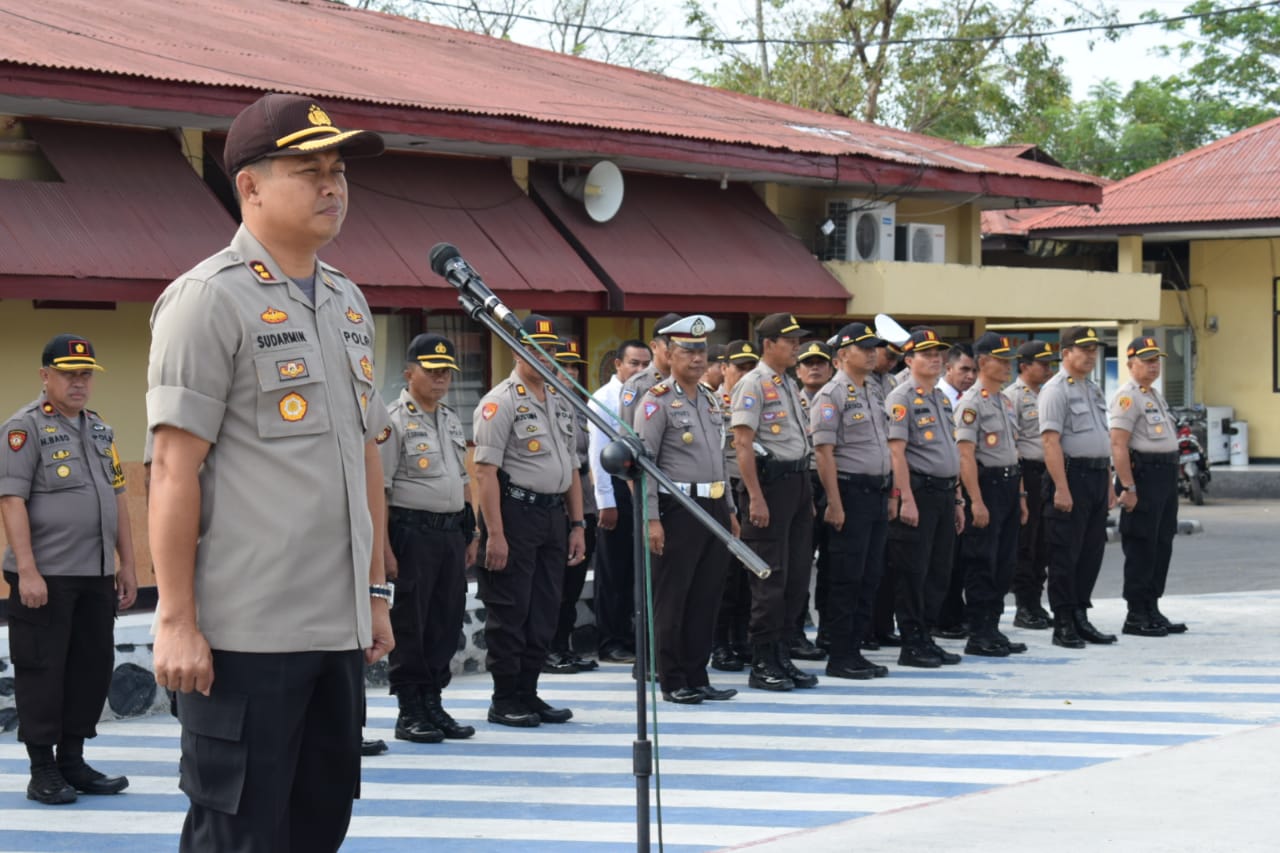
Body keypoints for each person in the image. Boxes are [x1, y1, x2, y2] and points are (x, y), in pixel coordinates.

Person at [147, 92, 393, 852]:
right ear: (249, 187)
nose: (332, 186)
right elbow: (171, 467)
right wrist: (177, 617)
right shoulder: (207, 300)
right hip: (246, 637)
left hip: (338, 632)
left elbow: (365, 453)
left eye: (339, 170)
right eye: (308, 170)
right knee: (240, 835)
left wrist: (377, 594)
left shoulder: (349, 303)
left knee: (320, 826)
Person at [2, 335, 136, 805]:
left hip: (95, 574)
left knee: (89, 669)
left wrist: (128, 566)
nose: (78, 383)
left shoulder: (100, 431)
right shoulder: (25, 428)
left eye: (85, 375)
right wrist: (29, 572)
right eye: (67, 373)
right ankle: (43, 771)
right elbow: (12, 501)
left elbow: (118, 499)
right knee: (42, 670)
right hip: (47, 577)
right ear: (45, 376)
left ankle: (73, 762)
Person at [473, 315, 586, 727]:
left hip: (552, 515)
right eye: (533, 348)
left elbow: (572, 466)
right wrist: (495, 534)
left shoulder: (558, 399)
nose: (543, 356)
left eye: (549, 349)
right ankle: (505, 697)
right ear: (516, 349)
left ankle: (529, 691)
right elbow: (484, 472)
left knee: (544, 608)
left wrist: (577, 524)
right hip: (515, 514)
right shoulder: (499, 401)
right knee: (511, 608)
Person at [635, 315, 740, 704]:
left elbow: (719, 460)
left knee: (706, 594)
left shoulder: (711, 399)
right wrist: (651, 518)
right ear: (669, 354)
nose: (698, 358)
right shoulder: (655, 402)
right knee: (673, 597)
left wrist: (728, 508)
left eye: (702, 351)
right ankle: (672, 677)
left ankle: (698, 673)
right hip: (677, 506)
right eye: (688, 351)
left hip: (712, 504)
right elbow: (643, 467)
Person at [379, 333, 477, 743]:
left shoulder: (451, 419)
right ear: (409, 372)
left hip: (449, 534)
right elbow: (380, 489)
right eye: (432, 371)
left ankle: (434, 701)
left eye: (446, 373)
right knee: (411, 623)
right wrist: (383, 549)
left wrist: (471, 532)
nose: (440, 380)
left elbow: (462, 478)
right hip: (410, 533)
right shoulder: (392, 421)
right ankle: (409, 709)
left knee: (445, 619)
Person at [731, 313, 818, 691]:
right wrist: (755, 496)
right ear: (769, 344)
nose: (797, 346)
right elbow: (743, 443)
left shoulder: (787, 383)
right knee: (769, 577)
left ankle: (783, 655)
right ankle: (762, 661)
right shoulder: (753, 384)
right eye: (790, 340)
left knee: (796, 577)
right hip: (770, 485)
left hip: (797, 482)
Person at [809, 322, 893, 679]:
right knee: (845, 576)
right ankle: (840, 653)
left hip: (876, 491)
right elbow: (824, 453)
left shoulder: (873, 389)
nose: (873, 353)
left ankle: (855, 648)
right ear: (843, 355)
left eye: (874, 347)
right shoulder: (831, 395)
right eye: (864, 348)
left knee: (869, 576)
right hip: (850, 492)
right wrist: (835, 502)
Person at [884, 328, 965, 668]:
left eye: (938, 353)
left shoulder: (941, 398)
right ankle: (912, 641)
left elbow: (950, 449)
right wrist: (905, 498)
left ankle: (927, 635)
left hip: (945, 492)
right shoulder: (901, 398)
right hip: (919, 491)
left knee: (938, 570)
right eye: (926, 353)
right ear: (908, 360)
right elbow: (896, 453)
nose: (935, 358)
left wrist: (958, 498)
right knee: (913, 571)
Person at [1039, 326, 1118, 649]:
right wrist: (1061, 487)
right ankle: (1063, 622)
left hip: (1097, 478)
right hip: (1072, 477)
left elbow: (1103, 438)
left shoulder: (1092, 389)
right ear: (1066, 352)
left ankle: (1081, 615)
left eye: (1094, 349)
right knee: (1065, 554)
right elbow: (1049, 441)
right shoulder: (1056, 390)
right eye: (1083, 348)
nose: (1090, 354)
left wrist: (1111, 481)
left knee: (1091, 553)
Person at [953, 333, 1028, 658]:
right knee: (982, 560)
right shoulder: (971, 402)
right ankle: (979, 631)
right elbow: (965, 455)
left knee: (1005, 561)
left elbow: (1014, 450)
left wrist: (1022, 495)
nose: (1009, 366)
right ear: (984, 362)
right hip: (986, 486)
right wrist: (976, 500)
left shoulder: (1004, 400)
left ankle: (994, 627)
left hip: (1010, 485)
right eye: (1002, 360)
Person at [1110, 337, 1187, 637]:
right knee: (1142, 543)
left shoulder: (1153, 394)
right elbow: (1118, 445)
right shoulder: (1127, 398)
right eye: (1146, 360)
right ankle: (1136, 613)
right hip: (1143, 475)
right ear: (1131, 365)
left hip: (1164, 477)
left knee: (1161, 542)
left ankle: (1152, 606)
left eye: (1156, 360)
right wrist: (1127, 487)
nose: (1154, 365)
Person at [588, 339, 652, 665]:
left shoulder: (652, 396)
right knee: (615, 569)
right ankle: (611, 640)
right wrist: (605, 502)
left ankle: (633, 636)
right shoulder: (604, 399)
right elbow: (597, 454)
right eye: (634, 364)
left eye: (645, 364)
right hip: (615, 487)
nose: (640, 371)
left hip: (643, 488)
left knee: (639, 569)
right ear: (618, 365)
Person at [545, 337, 600, 673]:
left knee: (574, 583)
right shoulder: (545, 403)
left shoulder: (580, 407)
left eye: (573, 367)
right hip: (558, 502)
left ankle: (563, 644)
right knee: (556, 583)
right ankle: (549, 647)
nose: (568, 373)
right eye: (561, 365)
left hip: (585, 501)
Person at [710, 339, 759, 672]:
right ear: (724, 368)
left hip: (751, 491)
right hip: (724, 491)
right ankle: (720, 644)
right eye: (739, 367)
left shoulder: (756, 400)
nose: (745, 374)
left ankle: (741, 639)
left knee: (749, 574)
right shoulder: (712, 403)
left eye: (750, 367)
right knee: (724, 576)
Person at [1005, 340, 1057, 630]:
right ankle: (1024, 605)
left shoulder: (1048, 393)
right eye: (1043, 364)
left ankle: (1036, 602)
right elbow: (1013, 444)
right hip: (1028, 472)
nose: (1048, 369)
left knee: (1044, 542)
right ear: (1024, 366)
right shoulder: (1012, 396)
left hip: (1048, 472)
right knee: (1026, 541)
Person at [793, 340, 834, 660]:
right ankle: (796, 624)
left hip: (832, 481)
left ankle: (828, 627)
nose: (814, 368)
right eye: (808, 363)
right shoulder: (792, 401)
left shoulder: (837, 399)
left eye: (820, 362)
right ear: (798, 370)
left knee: (833, 560)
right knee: (799, 560)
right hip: (803, 480)